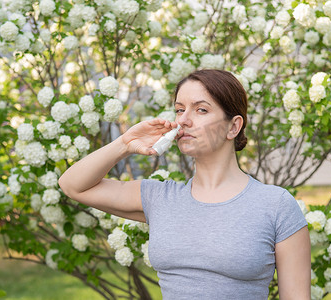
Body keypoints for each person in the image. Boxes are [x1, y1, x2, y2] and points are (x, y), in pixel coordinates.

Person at [58, 69, 311, 299]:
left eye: (201, 110)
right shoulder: (160, 198)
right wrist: (125, 144)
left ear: (233, 126)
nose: (183, 121)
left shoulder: (275, 205)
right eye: (180, 110)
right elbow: (73, 185)